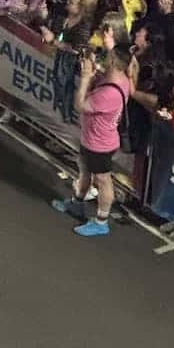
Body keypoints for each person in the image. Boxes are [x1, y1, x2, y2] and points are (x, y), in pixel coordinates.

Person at [52, 44, 134, 237]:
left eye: (109, 57)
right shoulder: (119, 79)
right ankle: (77, 203)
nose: (105, 58)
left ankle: (101, 221)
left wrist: (86, 78)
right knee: (84, 170)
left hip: (100, 144)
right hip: (91, 139)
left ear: (114, 62)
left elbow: (80, 104)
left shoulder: (110, 94)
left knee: (103, 180)